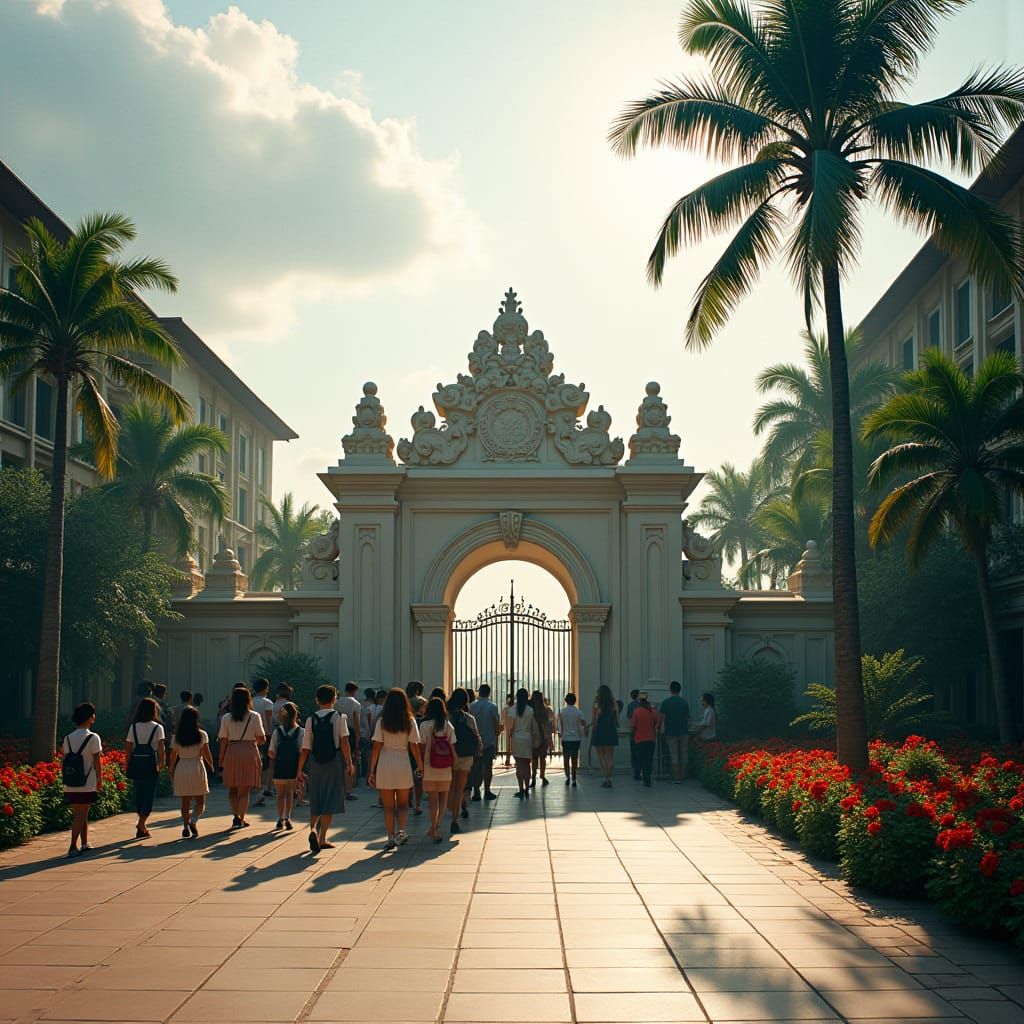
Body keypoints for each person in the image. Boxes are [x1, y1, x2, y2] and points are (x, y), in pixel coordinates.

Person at [297, 684, 354, 852]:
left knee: (316, 796)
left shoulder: (310, 719)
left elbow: (306, 747)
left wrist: (299, 769)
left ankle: (313, 828)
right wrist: (349, 762)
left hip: (315, 761)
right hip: (334, 760)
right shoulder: (339, 717)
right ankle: (322, 838)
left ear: (317, 700)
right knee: (330, 799)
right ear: (334, 699)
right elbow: (344, 742)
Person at [369, 688, 423, 849]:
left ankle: (390, 836)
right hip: (402, 761)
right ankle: (401, 830)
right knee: (403, 803)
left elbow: (377, 746)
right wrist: (420, 764)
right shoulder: (410, 720)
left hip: (385, 761)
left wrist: (372, 769)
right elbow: (414, 745)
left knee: (388, 806)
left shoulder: (382, 721)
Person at [217, 686, 265, 829]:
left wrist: (220, 758)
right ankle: (242, 818)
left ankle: (235, 816)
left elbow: (223, 739)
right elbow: (261, 738)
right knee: (244, 790)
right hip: (249, 751)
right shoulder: (255, 716)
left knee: (232, 789)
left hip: (231, 751)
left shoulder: (226, 718)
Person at [62, 702, 102, 858]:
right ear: (90, 717)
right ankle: (73, 846)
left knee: (81, 812)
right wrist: (100, 778)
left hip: (71, 781)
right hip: (87, 781)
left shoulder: (68, 738)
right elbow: (97, 760)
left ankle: (85, 843)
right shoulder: (93, 737)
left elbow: (64, 760)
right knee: (81, 813)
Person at [125, 696, 166, 839]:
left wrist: (127, 764)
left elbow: (128, 748)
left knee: (140, 793)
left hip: (137, 764)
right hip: (150, 764)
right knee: (149, 794)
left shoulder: (133, 727)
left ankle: (141, 824)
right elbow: (161, 748)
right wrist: (162, 763)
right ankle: (141, 824)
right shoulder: (157, 727)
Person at [169, 706, 212, 838]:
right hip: (197, 766)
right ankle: (194, 820)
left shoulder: (177, 737)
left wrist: (171, 770)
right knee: (200, 801)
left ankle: (185, 825)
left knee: (185, 802)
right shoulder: (202, 734)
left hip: (182, 767)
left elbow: (173, 756)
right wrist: (211, 765)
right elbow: (206, 753)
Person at [418, 695, 456, 842]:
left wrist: (421, 762)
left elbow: (421, 746)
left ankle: (433, 827)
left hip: (429, 766)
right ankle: (436, 827)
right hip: (445, 766)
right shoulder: (447, 725)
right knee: (443, 799)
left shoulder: (424, 725)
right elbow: (452, 745)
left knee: (433, 800)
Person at [446, 688, 481, 834]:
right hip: (466, 756)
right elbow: (477, 737)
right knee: (460, 788)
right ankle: (455, 818)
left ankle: (450, 807)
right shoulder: (469, 718)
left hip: (449, 755)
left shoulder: (446, 716)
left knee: (450, 786)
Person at [268, 701, 302, 830]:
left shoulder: (278, 731)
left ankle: (280, 818)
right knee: (289, 793)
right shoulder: (300, 731)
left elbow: (271, 751)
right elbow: (302, 750)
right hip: (293, 767)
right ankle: (288, 817)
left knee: (280, 794)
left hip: (280, 768)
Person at [469, 684, 501, 801]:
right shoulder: (493, 706)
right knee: (488, 767)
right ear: (489, 693)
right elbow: (495, 723)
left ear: (479, 692)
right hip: (489, 740)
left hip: (475, 741)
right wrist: (497, 732)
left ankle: (476, 792)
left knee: (476, 766)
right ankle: (487, 790)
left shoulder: (472, 706)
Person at [659, 681, 691, 783]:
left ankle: (676, 777)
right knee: (684, 754)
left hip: (671, 732)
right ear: (679, 690)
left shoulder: (665, 702)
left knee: (674, 755)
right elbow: (687, 717)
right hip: (684, 731)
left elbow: (662, 718)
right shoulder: (684, 702)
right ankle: (683, 775)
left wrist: (660, 729)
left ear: (670, 689)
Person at [509, 688, 538, 799]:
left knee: (519, 765)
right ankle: (527, 788)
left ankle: (520, 789)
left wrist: (510, 737)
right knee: (527, 764)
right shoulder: (530, 710)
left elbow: (511, 727)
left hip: (516, 738)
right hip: (527, 738)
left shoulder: (512, 709)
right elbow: (532, 726)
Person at [252, 678, 275, 806]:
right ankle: (264, 788)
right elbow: (269, 719)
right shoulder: (267, 702)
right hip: (265, 735)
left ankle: (254, 787)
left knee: (254, 763)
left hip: (250, 736)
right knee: (265, 763)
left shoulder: (249, 701)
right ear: (266, 688)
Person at [590, 685, 619, 788]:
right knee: (610, 757)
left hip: (600, 731)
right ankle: (610, 778)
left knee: (601, 757)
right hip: (611, 731)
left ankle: (606, 778)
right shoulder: (613, 703)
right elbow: (617, 720)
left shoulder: (596, 704)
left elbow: (594, 721)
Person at [338, 683, 363, 801]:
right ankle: (348, 791)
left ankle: (339, 789)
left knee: (339, 762)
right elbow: (356, 722)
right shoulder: (355, 703)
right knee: (350, 762)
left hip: (337, 732)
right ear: (355, 691)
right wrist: (358, 738)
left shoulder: (337, 702)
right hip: (350, 732)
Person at [630, 692, 659, 787]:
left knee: (641, 759)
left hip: (639, 739)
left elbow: (633, 726)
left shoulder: (637, 711)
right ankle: (648, 778)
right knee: (649, 759)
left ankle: (642, 776)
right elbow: (656, 723)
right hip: (651, 738)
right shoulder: (653, 711)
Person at [558, 693, 586, 787]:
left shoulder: (562, 712)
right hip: (576, 738)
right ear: (575, 701)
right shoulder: (579, 712)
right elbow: (583, 723)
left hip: (566, 738)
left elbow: (560, 725)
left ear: (566, 701)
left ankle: (567, 777)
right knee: (574, 758)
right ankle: (574, 778)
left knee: (566, 758)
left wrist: (560, 733)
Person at [529, 690, 551, 788]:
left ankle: (533, 777)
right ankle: (542, 776)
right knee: (542, 758)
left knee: (534, 758)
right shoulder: (544, 710)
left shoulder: (530, 710)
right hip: (543, 736)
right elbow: (546, 724)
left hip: (533, 736)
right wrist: (549, 737)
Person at [625, 689, 641, 781]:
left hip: (633, 731)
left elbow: (629, 716)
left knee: (634, 752)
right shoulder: (642, 705)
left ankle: (635, 770)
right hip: (642, 731)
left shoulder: (630, 705)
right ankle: (640, 770)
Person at [501, 694, 515, 768]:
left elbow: (502, 719)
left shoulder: (506, 708)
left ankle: (508, 760)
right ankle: (511, 760)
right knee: (513, 745)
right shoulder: (514, 708)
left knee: (508, 745)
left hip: (509, 728)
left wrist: (502, 727)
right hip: (513, 728)